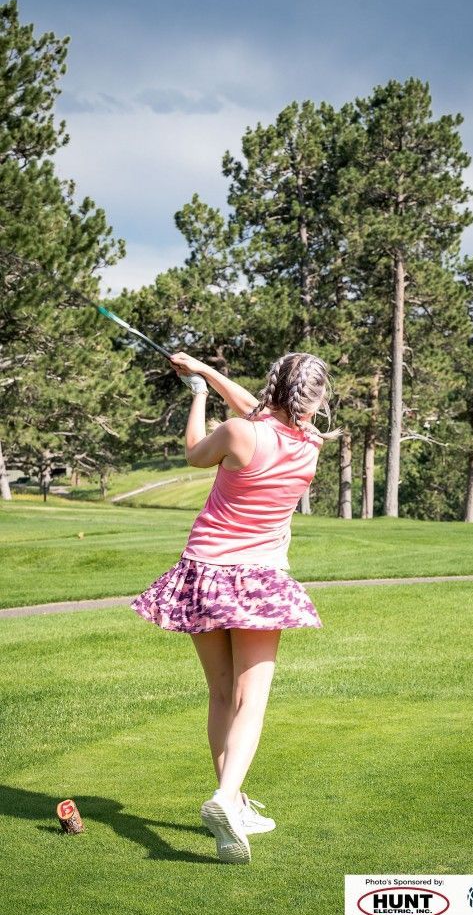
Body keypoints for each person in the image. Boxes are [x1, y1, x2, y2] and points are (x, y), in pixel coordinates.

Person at [130, 350, 342, 864]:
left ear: (273, 387)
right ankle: (227, 798)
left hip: (203, 570)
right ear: (316, 401)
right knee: (253, 697)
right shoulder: (311, 443)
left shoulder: (237, 432)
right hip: (260, 578)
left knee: (222, 692)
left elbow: (195, 453)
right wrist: (204, 369)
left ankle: (236, 801)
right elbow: (263, 410)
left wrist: (200, 393)